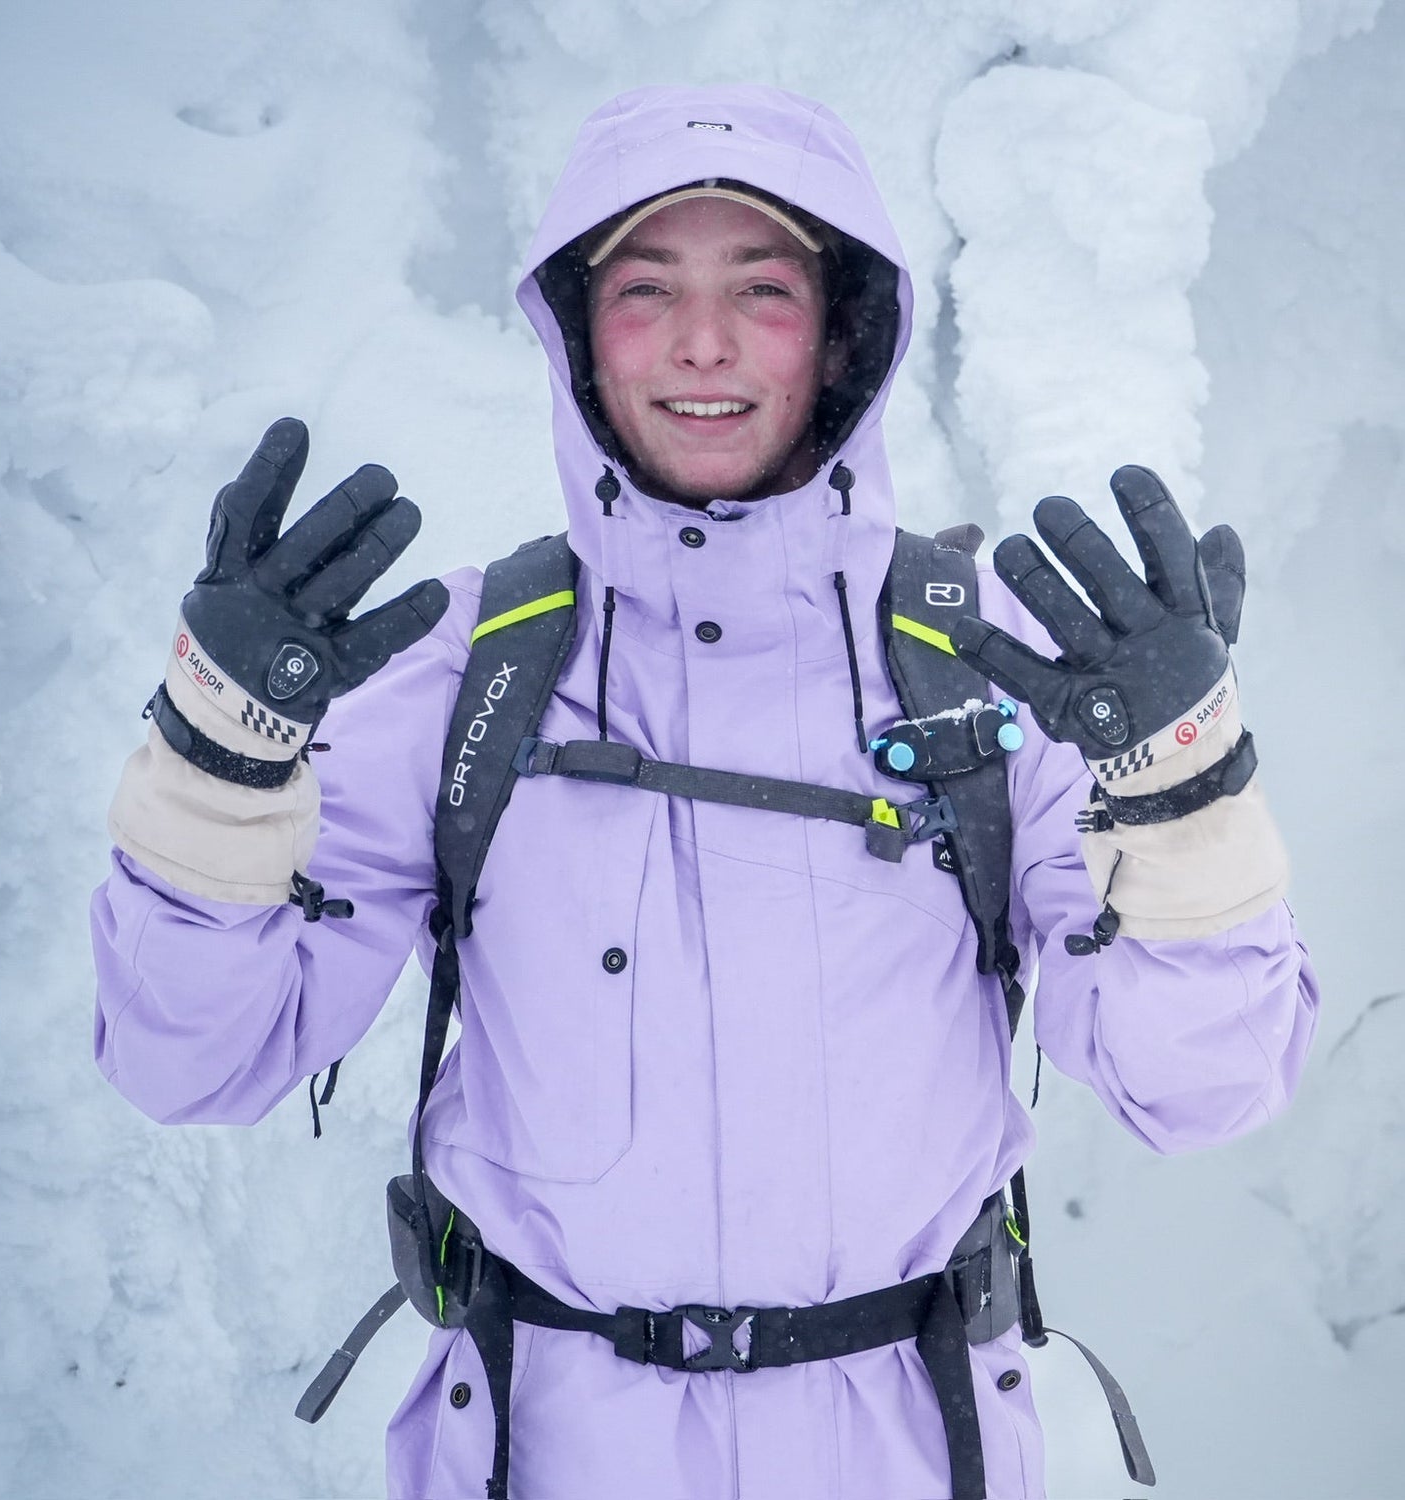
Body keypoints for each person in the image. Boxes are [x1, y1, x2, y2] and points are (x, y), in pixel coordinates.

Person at [91, 84, 1318, 1500]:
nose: (703, 340)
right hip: (541, 1457)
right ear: (576, 333)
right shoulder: (470, 676)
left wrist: (1185, 795)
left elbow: (1203, 1087)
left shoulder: (986, 670)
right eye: (644, 287)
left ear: (842, 328)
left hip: (913, 1454)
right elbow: (192, 1059)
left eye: (765, 287)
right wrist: (218, 769)